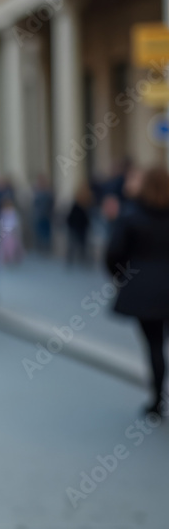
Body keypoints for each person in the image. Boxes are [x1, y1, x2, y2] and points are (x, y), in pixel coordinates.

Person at [105, 166, 169, 418]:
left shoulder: (131, 216)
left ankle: (157, 400)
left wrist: (122, 277)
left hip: (145, 291)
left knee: (154, 345)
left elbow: (113, 254)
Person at [66, 183, 93, 267]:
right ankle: (74, 260)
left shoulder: (86, 204)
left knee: (81, 244)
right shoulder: (78, 204)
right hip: (76, 226)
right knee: (75, 244)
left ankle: (81, 260)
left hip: (81, 226)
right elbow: (71, 216)